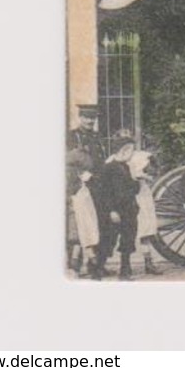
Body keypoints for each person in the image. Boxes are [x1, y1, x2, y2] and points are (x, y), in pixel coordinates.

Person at [88, 132, 140, 280]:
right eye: (131, 151)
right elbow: (104, 193)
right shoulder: (108, 168)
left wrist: (135, 181)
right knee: (107, 241)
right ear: (124, 150)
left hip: (129, 210)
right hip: (115, 211)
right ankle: (97, 270)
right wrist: (111, 211)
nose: (132, 154)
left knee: (127, 241)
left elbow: (133, 190)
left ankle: (125, 271)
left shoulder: (127, 168)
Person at [65, 105, 102, 276]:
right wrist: (81, 177)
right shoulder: (72, 136)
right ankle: (75, 266)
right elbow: (68, 162)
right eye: (86, 117)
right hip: (79, 184)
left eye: (92, 118)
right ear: (80, 118)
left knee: (93, 223)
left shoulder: (95, 137)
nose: (90, 121)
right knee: (78, 224)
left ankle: (93, 265)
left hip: (96, 185)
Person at [128, 147, 163, 275]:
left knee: (146, 230)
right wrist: (143, 175)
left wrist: (146, 176)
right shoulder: (129, 164)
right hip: (132, 198)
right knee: (132, 231)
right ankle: (125, 264)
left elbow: (150, 170)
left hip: (144, 198)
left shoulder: (140, 158)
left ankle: (148, 262)